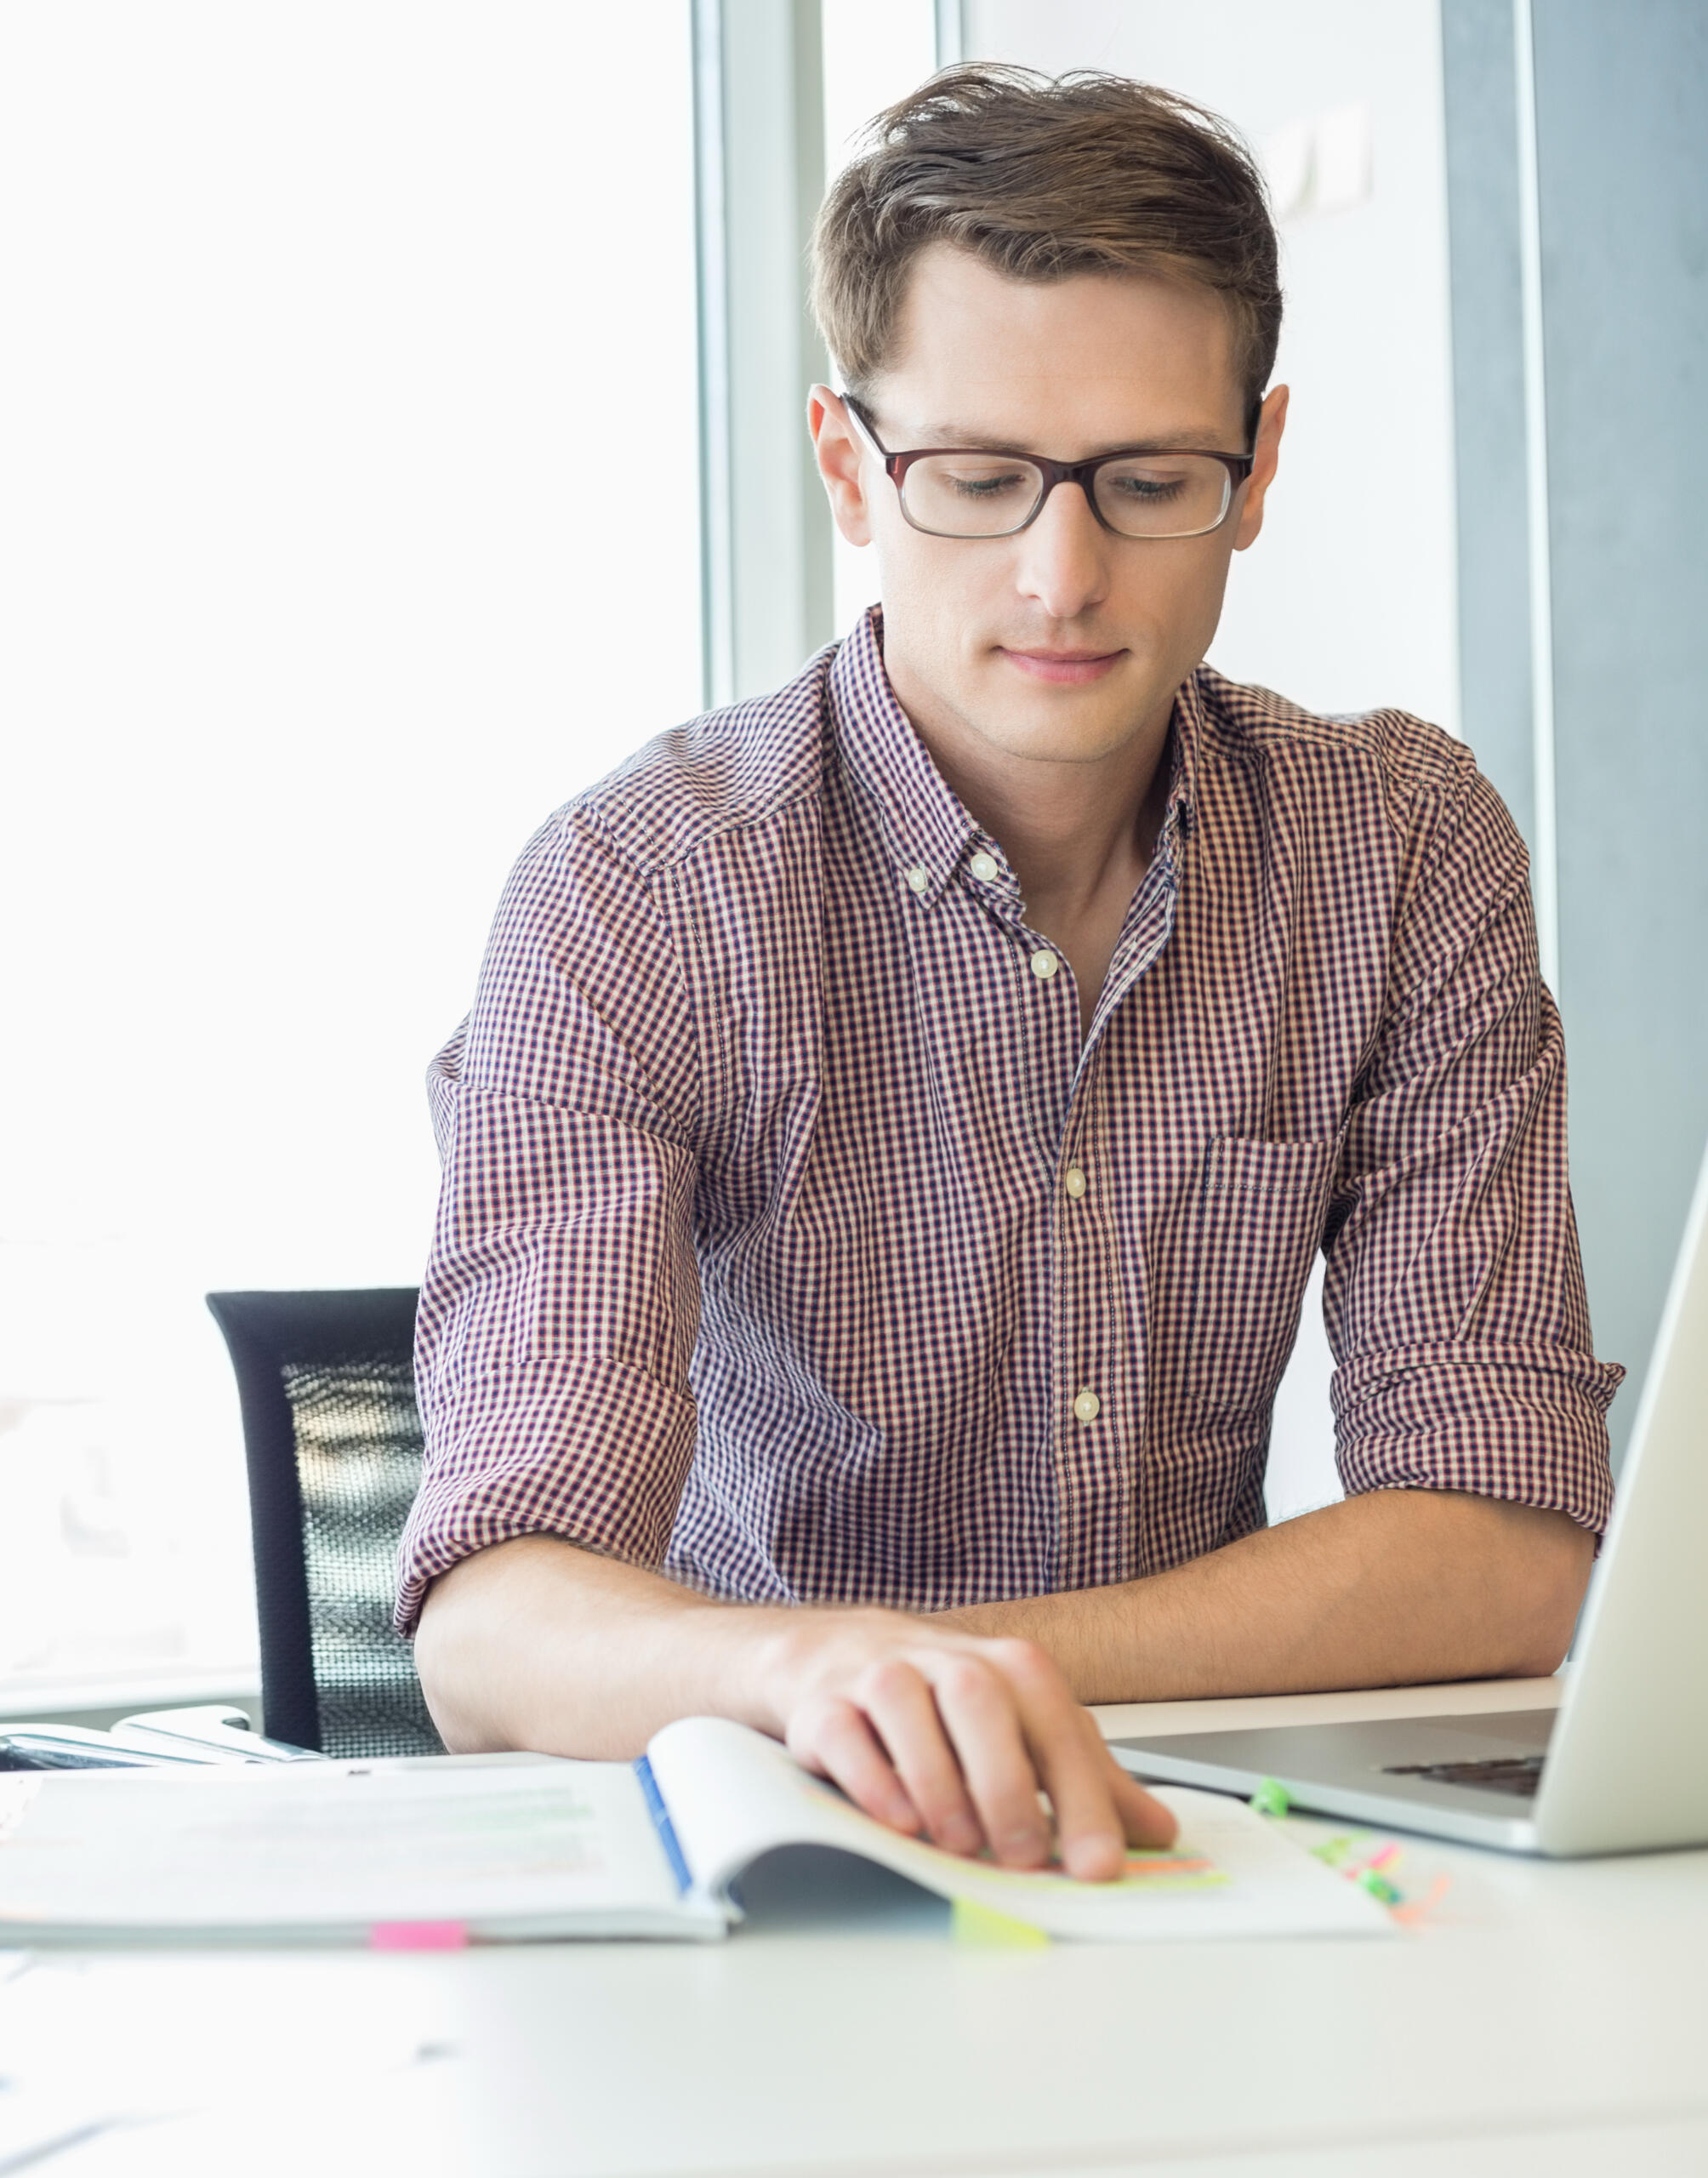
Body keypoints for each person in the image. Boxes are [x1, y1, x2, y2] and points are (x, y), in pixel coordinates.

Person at [400, 67, 1621, 1882]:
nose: (1061, 575)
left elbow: (1511, 1548)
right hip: (778, 1822)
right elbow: (489, 1628)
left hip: (1202, 1836)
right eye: (974, 480)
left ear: (1256, 468)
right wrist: (825, 1677)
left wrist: (974, 1674)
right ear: (847, 468)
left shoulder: (1399, 845)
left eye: (1147, 480)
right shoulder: (638, 892)